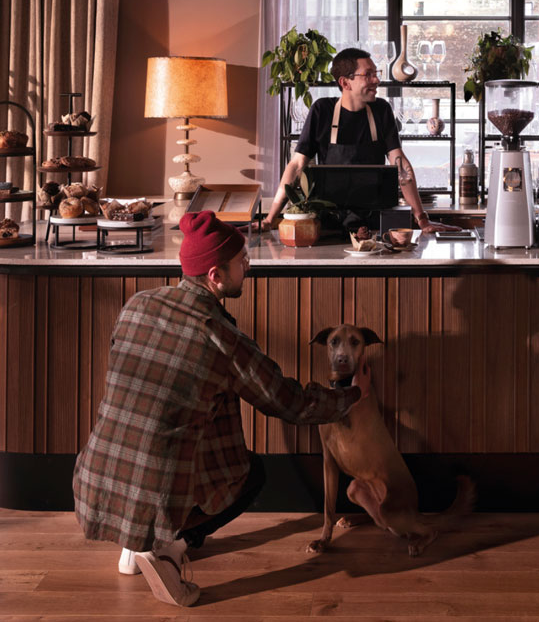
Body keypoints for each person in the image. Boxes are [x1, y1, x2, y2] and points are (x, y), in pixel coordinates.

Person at [73, 210, 368, 608]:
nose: (248, 266)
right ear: (215, 275)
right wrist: (352, 395)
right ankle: (166, 549)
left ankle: (134, 544)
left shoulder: (137, 304)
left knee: (183, 422)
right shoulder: (222, 338)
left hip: (96, 478)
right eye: (242, 260)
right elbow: (291, 403)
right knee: (252, 473)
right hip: (158, 489)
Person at [265, 47, 457, 234]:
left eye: (376, 73)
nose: (377, 80)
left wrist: (422, 218)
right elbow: (297, 166)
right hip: (329, 226)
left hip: (376, 226)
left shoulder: (382, 110)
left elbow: (400, 165)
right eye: (368, 74)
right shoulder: (322, 110)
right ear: (345, 82)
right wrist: (270, 219)